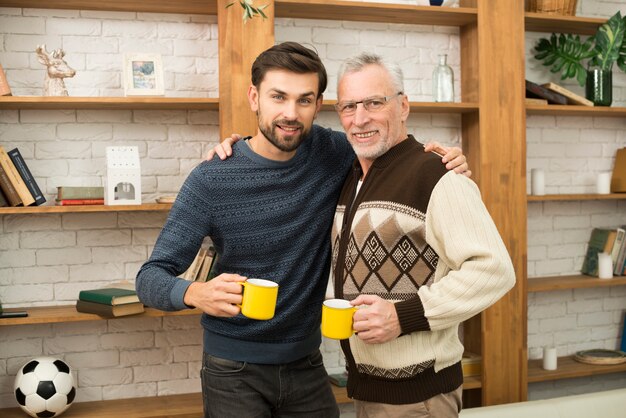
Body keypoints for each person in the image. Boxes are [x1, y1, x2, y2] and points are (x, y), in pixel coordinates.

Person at [136, 42, 467, 418]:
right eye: (278, 97)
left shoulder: (336, 153)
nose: (290, 114)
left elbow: (389, 145)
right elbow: (149, 278)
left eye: (304, 100)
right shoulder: (212, 179)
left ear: (319, 104)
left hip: (307, 366)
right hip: (232, 370)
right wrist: (195, 292)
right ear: (254, 97)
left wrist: (445, 160)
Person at [329, 53, 516, 418]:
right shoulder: (351, 178)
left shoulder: (437, 174)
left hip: (418, 399)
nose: (359, 117)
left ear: (403, 106)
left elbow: (494, 269)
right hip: (367, 389)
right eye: (348, 106)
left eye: (374, 102)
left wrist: (404, 316)